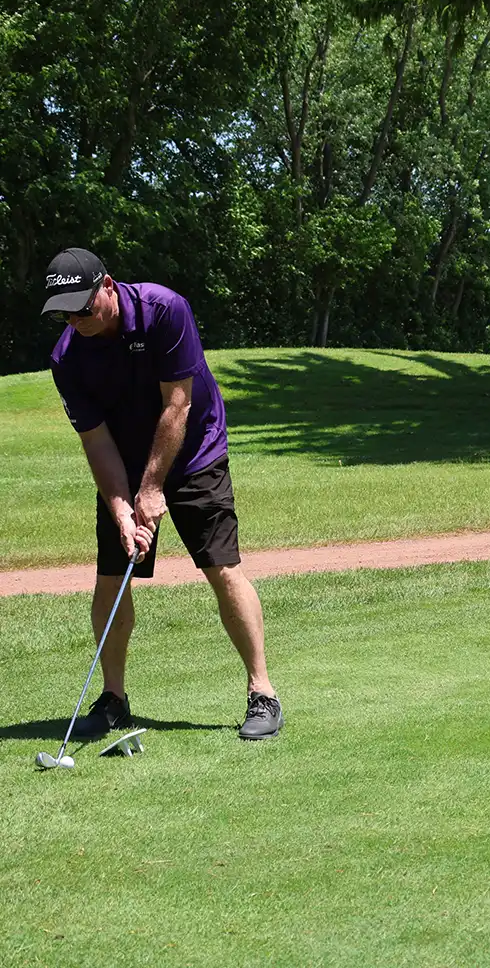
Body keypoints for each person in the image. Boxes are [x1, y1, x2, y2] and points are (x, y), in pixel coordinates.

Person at [43, 247, 283, 740]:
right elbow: (96, 441)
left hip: (195, 451)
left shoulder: (164, 310)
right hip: (125, 461)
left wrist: (152, 490)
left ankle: (263, 693)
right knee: (112, 577)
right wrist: (121, 508)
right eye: (64, 314)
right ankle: (113, 699)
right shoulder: (67, 358)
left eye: (83, 308)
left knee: (222, 567)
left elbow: (177, 405)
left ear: (108, 286)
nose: (76, 321)